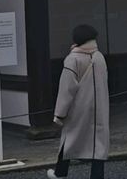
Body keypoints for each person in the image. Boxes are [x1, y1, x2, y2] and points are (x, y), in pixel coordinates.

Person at [47, 25, 109, 179]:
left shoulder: (72, 59)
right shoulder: (99, 57)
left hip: (79, 108)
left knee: (69, 139)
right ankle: (97, 176)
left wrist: (59, 114)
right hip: (100, 108)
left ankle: (60, 173)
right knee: (98, 144)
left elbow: (66, 89)